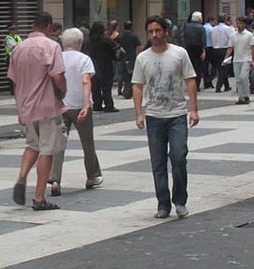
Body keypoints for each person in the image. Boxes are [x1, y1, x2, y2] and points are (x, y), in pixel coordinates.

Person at [132, 14, 199, 218]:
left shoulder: (179, 53)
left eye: (158, 31)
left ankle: (180, 201)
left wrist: (194, 109)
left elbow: (190, 80)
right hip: (154, 116)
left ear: (166, 32)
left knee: (179, 157)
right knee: (158, 163)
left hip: (177, 114)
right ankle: (163, 204)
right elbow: (137, 85)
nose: (154, 35)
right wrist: (139, 113)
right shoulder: (142, 58)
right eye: (151, 31)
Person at [7, 10, 67, 211]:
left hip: (26, 105)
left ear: (33, 26)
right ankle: (39, 197)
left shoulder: (18, 48)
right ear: (49, 27)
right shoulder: (51, 46)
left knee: (32, 144)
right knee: (47, 149)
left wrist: (20, 107)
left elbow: (14, 80)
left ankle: (22, 175)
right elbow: (58, 76)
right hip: (47, 106)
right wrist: (64, 91)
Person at [50, 27, 103, 192]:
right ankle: (92, 176)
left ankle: (55, 179)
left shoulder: (56, 58)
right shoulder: (83, 59)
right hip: (80, 105)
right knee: (87, 142)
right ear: (80, 43)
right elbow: (86, 80)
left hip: (60, 106)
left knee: (59, 142)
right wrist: (87, 104)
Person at [86, 20, 118, 112]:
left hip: (92, 66)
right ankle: (109, 105)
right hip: (106, 66)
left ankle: (97, 105)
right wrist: (114, 57)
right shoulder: (107, 40)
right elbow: (120, 50)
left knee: (95, 88)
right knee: (106, 87)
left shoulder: (88, 42)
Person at [230, 14, 254, 104]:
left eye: (240, 23)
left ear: (244, 24)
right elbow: (230, 47)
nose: (239, 25)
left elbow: (253, 48)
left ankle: (246, 95)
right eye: (237, 23)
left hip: (246, 59)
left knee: (243, 77)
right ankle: (241, 97)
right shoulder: (233, 35)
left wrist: (253, 60)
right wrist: (225, 58)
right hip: (236, 59)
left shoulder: (249, 35)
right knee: (238, 79)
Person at [182, 12, 210, 89]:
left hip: (188, 48)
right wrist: (204, 51)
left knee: (190, 67)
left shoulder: (186, 26)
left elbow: (183, 36)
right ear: (199, 19)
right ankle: (196, 85)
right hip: (198, 48)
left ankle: (190, 84)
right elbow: (203, 40)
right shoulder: (201, 27)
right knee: (198, 68)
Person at [207, 15, 233, 92]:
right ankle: (218, 87)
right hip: (224, 49)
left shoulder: (213, 29)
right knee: (224, 69)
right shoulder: (227, 29)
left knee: (220, 68)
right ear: (225, 20)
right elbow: (232, 38)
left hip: (215, 50)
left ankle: (227, 86)